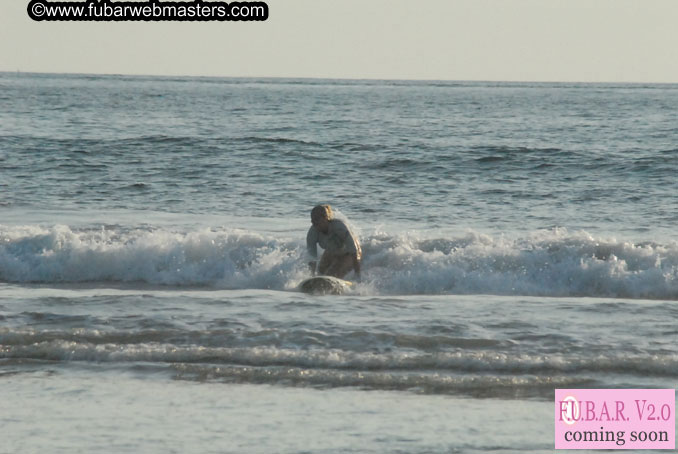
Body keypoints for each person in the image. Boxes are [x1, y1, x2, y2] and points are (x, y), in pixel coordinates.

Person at [306, 204, 362, 281]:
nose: (315, 223)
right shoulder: (312, 233)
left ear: (326, 218)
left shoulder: (339, 227)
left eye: (317, 220)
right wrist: (311, 278)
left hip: (349, 253)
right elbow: (312, 259)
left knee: (332, 275)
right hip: (332, 252)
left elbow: (353, 250)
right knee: (320, 272)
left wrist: (357, 274)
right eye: (313, 221)